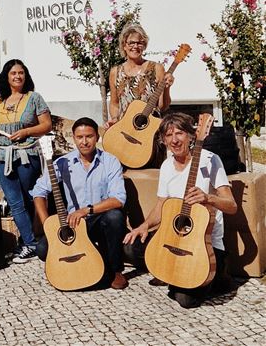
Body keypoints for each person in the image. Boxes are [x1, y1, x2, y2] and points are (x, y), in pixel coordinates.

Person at [123, 112, 237, 308]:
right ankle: (173, 272)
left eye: (179, 133)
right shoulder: (167, 166)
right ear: (163, 140)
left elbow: (232, 206)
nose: (174, 140)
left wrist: (208, 197)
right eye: (168, 135)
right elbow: (161, 205)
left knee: (185, 300)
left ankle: (218, 276)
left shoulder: (210, 161)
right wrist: (143, 226)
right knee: (130, 247)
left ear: (192, 135)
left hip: (204, 244)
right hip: (173, 237)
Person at [31, 117, 129, 289]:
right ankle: (82, 262)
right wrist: (48, 224)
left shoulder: (110, 161)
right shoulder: (63, 162)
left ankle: (115, 270)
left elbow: (118, 199)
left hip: (100, 219)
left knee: (115, 217)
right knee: (42, 249)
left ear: (97, 137)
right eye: (80, 137)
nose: (84, 142)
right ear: (74, 138)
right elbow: (39, 192)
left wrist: (86, 210)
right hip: (73, 224)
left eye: (89, 136)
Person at [0, 59, 52, 264]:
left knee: (28, 197)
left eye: (21, 73)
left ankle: (29, 241)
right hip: (1, 155)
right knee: (14, 201)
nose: (17, 76)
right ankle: (31, 244)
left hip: (26, 153)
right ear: (6, 76)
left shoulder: (34, 98)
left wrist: (26, 131)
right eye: (13, 73)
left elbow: (47, 125)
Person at [105, 23, 174, 130]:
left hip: (150, 130)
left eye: (140, 43)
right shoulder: (115, 72)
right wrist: (114, 118)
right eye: (131, 43)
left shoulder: (156, 68)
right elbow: (114, 103)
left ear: (144, 45)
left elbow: (163, 106)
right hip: (126, 130)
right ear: (124, 45)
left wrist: (167, 88)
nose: (135, 46)